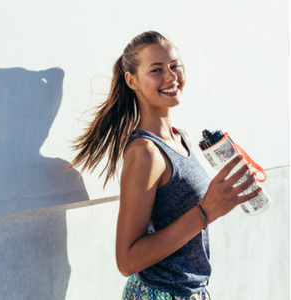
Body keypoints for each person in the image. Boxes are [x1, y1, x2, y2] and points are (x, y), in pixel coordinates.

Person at [70, 31, 262, 300]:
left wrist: (226, 193)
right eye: (157, 69)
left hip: (190, 292)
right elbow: (126, 261)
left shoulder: (181, 137)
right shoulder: (145, 152)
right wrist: (206, 211)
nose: (171, 76)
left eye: (175, 66)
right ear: (132, 80)